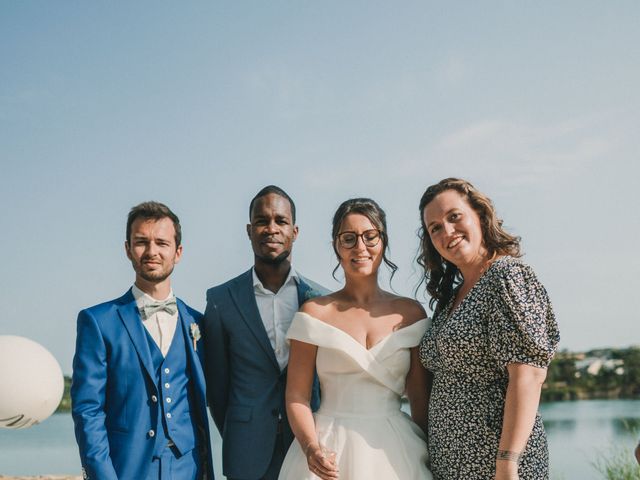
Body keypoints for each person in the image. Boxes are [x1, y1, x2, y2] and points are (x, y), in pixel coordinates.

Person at [278, 198, 433, 480]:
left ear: (383, 241)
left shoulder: (411, 313)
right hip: (328, 445)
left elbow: (421, 400)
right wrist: (311, 448)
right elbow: (297, 396)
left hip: (396, 448)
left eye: (370, 236)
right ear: (336, 246)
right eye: (348, 239)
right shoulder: (314, 313)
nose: (360, 247)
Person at [416, 178, 560, 480]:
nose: (447, 232)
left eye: (454, 217)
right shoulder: (451, 298)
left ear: (480, 215)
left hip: (497, 464)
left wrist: (507, 463)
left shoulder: (507, 277)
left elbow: (529, 375)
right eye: (435, 228)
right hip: (451, 465)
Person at [71, 202, 214, 480]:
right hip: (128, 469)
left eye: (162, 242)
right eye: (141, 242)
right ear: (128, 249)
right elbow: (88, 411)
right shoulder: (98, 322)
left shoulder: (198, 322)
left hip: (190, 468)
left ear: (178, 252)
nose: (152, 251)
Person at [203, 185, 326, 480]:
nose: (271, 229)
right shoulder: (221, 300)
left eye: (280, 221)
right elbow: (218, 390)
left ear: (295, 231)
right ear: (249, 230)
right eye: (262, 221)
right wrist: (244, 430)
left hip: (311, 446)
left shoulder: (321, 300)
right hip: (247, 452)